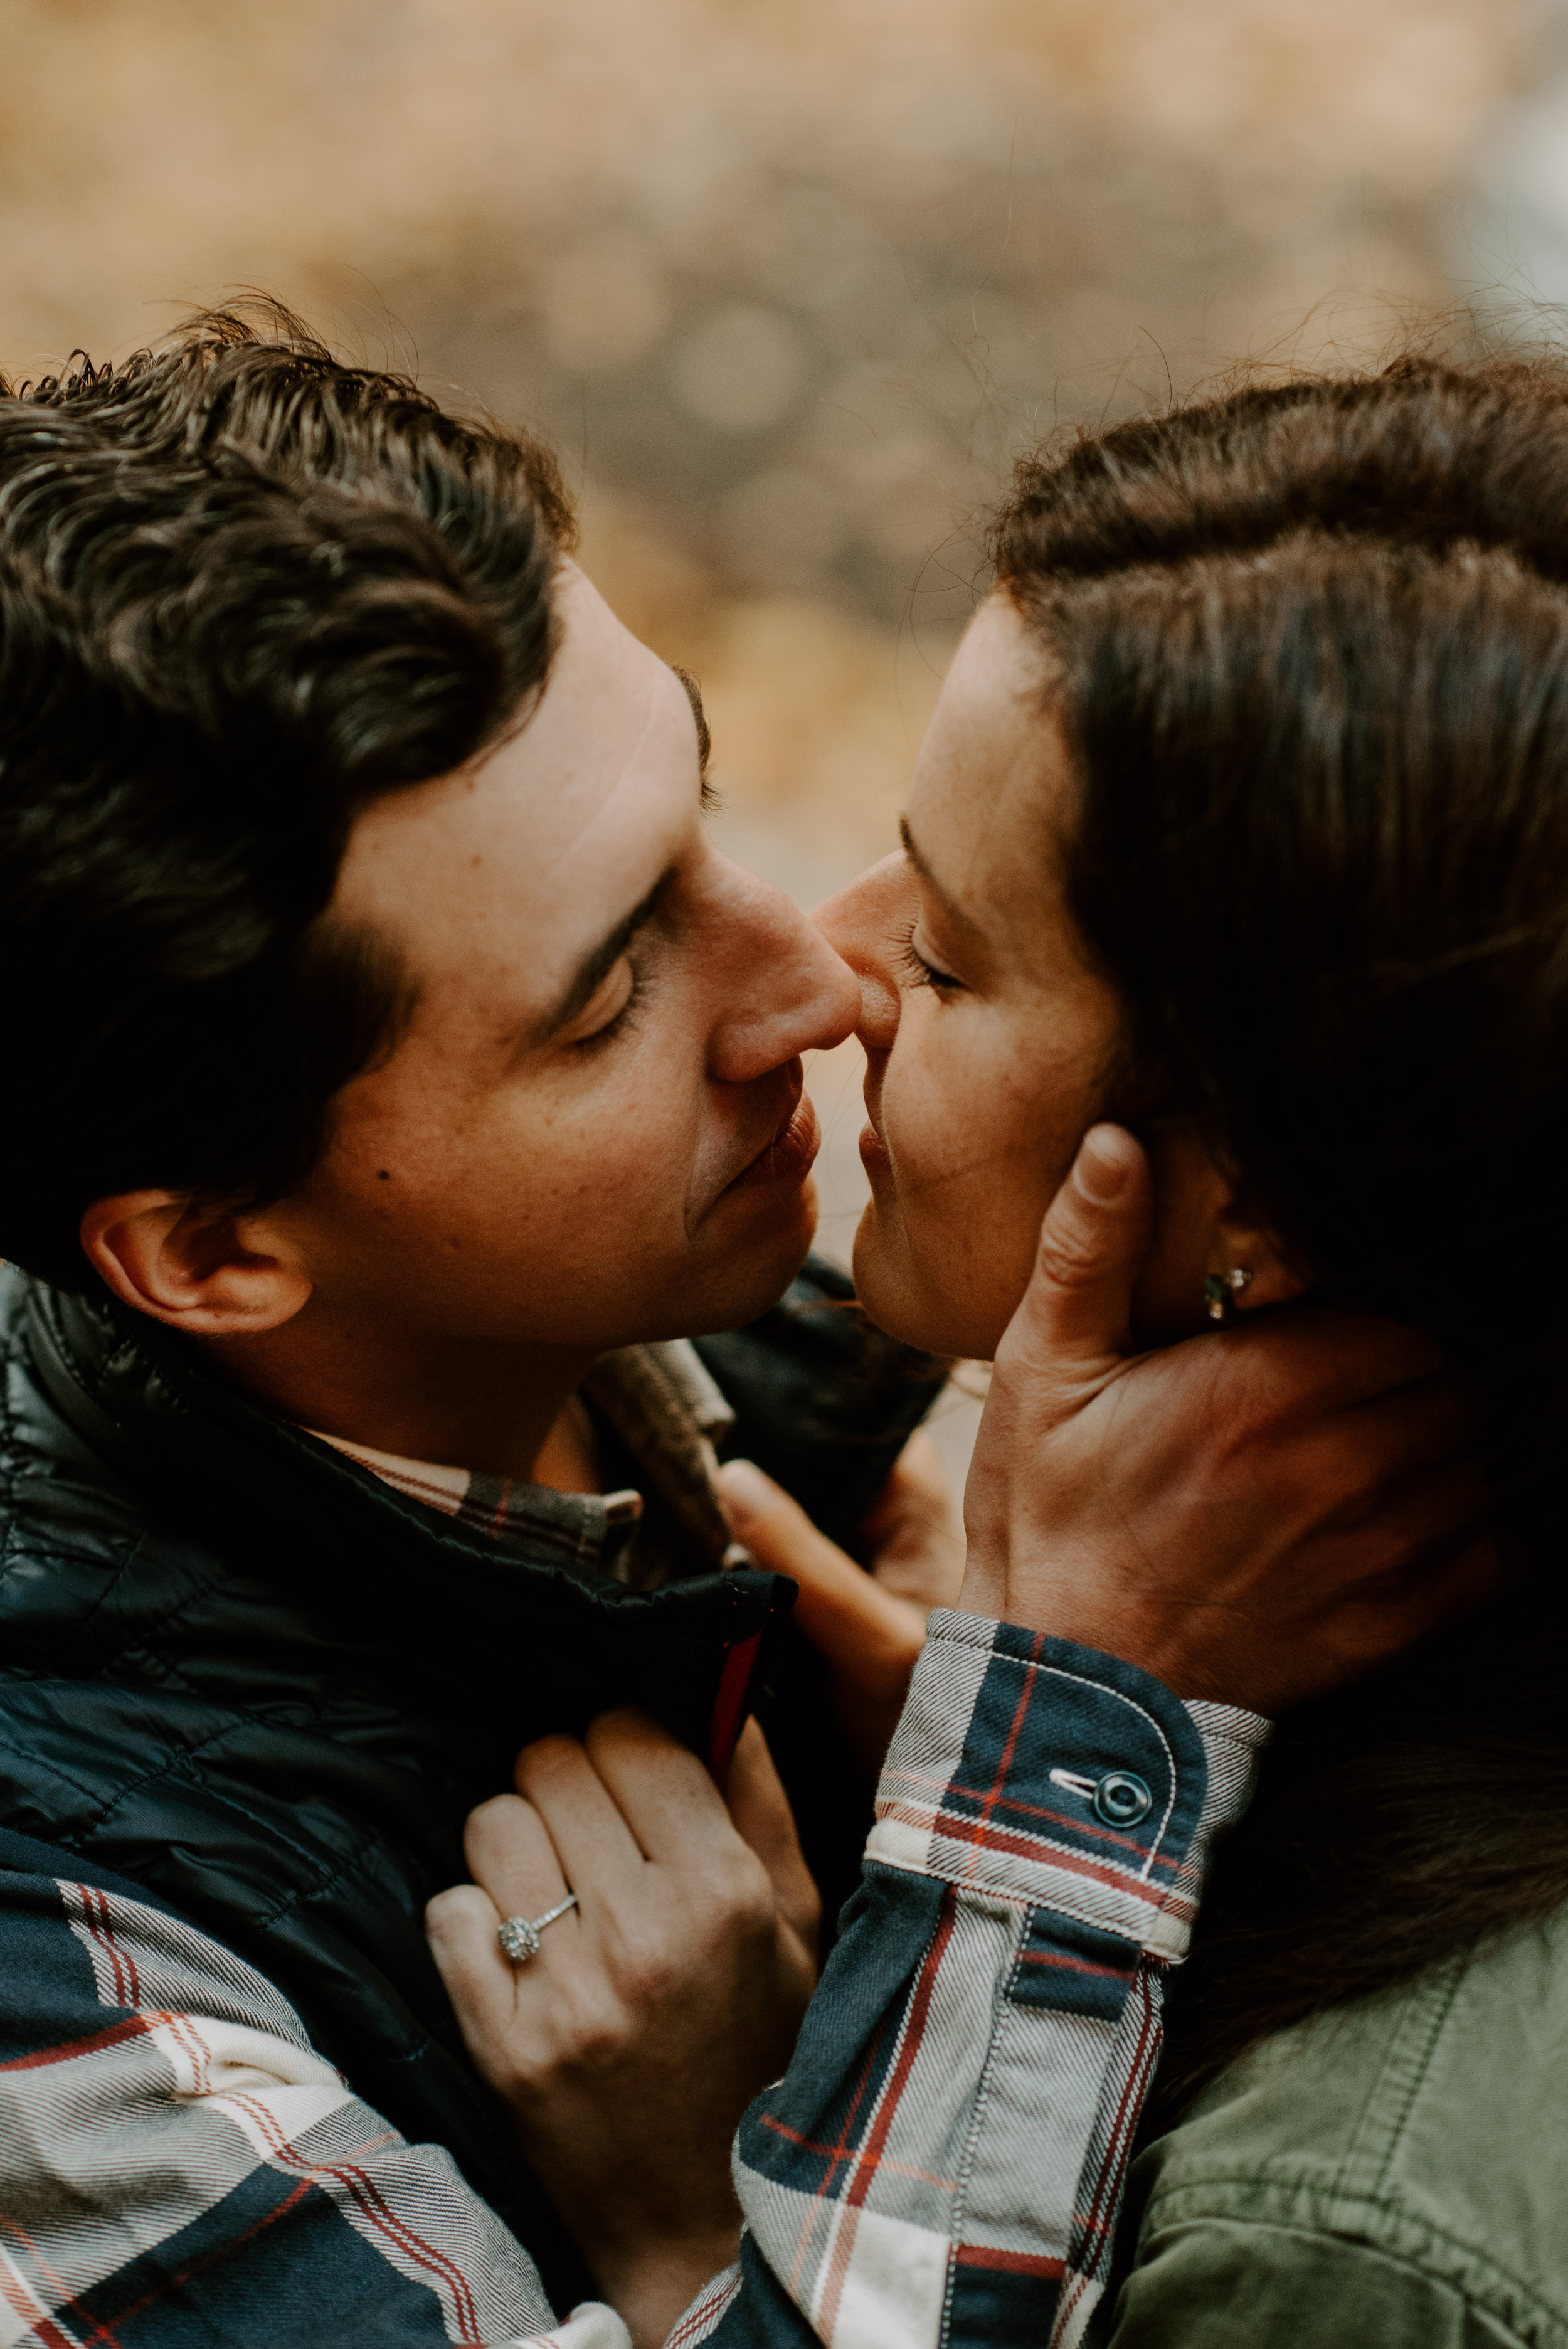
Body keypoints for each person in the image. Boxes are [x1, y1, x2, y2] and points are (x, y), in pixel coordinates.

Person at [0, 309, 1488, 2348]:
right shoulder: (59, 1986)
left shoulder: (720, 1366)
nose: (817, 975)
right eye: (606, 997)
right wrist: (1048, 1771)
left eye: (701, 806)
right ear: (209, 1250)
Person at [434, 353, 1568, 2349]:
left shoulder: (1336, 2251)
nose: (822, 962)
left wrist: (722, 2217)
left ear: (1255, 1210)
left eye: (949, 956)